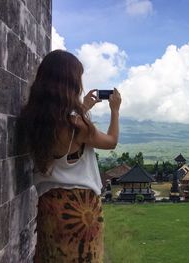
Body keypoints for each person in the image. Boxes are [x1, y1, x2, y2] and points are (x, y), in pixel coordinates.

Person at [20, 49, 121, 262]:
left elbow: (59, 129)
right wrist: (115, 110)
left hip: (49, 207)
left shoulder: (31, 118)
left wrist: (84, 107)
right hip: (79, 210)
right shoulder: (76, 125)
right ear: (70, 83)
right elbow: (111, 142)